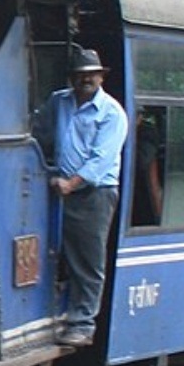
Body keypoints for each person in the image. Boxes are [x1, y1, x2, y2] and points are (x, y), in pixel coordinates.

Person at [41, 47, 128, 348]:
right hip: (58, 186)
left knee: (88, 260)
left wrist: (71, 183)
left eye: (91, 74)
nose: (86, 79)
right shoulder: (58, 101)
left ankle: (83, 323)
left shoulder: (112, 113)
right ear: (72, 78)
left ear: (101, 77)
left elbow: (100, 160)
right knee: (53, 252)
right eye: (80, 75)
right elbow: (40, 132)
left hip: (94, 193)